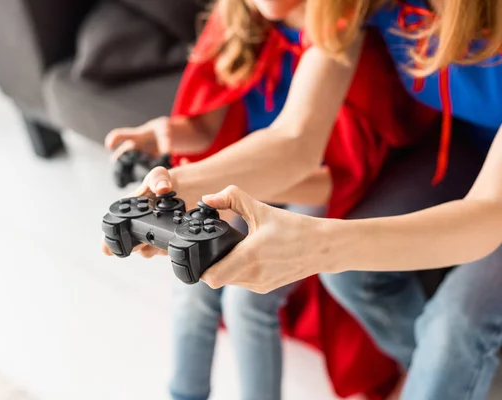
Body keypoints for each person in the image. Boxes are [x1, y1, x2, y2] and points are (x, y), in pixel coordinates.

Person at [110, 0, 502, 399]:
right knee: (351, 277)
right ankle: (447, 373)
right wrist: (178, 184)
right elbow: (295, 140)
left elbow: (489, 215)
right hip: (467, 146)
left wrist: (321, 245)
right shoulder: (359, 7)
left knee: (456, 325)